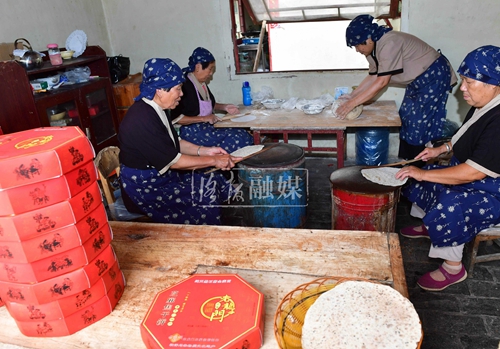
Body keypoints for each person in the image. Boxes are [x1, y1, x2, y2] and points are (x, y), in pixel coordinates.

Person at [395, 45, 500, 291]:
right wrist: (439, 151)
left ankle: (453, 268)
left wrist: (422, 171)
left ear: (494, 83)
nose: (462, 88)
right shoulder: (485, 103)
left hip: (493, 189)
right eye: (463, 80)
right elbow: (464, 134)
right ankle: (430, 226)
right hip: (479, 174)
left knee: (450, 199)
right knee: (427, 177)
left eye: (468, 82)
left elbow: (474, 173)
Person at [118, 58, 241, 225]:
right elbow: (174, 162)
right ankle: (206, 241)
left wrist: (206, 151)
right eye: (178, 89)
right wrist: (214, 160)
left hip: (161, 176)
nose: (181, 94)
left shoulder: (156, 109)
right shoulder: (142, 119)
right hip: (146, 188)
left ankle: (229, 221)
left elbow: (175, 141)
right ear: (160, 90)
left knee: (213, 178)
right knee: (204, 193)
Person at [336, 14, 458, 160]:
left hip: (434, 76)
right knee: (405, 117)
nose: (357, 50)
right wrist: (353, 96)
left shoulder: (389, 43)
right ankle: (407, 162)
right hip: (417, 79)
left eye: (358, 45)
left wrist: (351, 104)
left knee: (419, 123)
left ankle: (420, 167)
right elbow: (373, 76)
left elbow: (382, 82)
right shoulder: (372, 49)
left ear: (368, 39)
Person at [171, 47, 254, 152]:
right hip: (191, 132)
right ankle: (214, 163)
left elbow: (206, 104)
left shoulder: (201, 83)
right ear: (198, 67)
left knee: (241, 132)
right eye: (210, 69)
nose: (211, 73)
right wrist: (204, 118)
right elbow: (176, 118)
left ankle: (223, 161)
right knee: (238, 138)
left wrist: (224, 107)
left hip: (205, 128)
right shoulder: (185, 86)